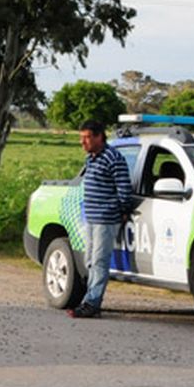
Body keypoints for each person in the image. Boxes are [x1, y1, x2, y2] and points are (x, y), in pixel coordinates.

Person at [71, 119, 134, 319]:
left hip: (106, 218)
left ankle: (93, 302)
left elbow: (124, 189)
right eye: (81, 138)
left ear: (99, 136)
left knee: (99, 260)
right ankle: (88, 298)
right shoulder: (91, 159)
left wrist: (122, 210)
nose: (83, 143)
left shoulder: (113, 158)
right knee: (89, 259)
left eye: (87, 137)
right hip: (91, 217)